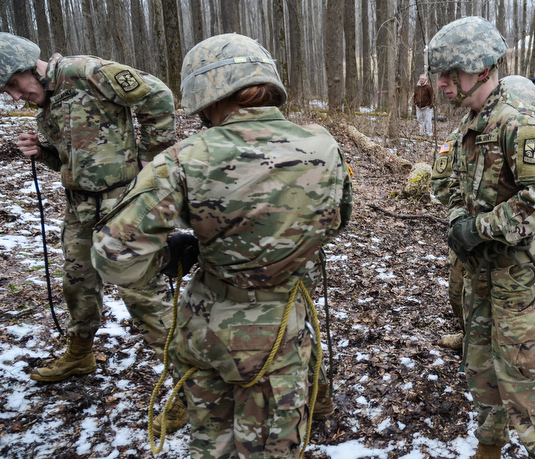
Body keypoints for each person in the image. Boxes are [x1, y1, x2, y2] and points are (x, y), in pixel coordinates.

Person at [91, 33, 353, 457]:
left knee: (212, 444)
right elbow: (337, 220)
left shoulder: (184, 157)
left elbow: (114, 258)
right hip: (281, 330)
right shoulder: (323, 146)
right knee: (274, 446)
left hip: (208, 326)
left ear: (205, 93)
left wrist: (174, 253)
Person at [0, 32, 185, 425]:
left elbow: (158, 96)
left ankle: (191, 389)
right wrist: (44, 152)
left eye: (15, 84)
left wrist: (153, 161)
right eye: (7, 92)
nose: (16, 96)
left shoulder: (85, 71)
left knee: (143, 297)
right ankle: (80, 353)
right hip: (80, 207)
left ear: (28, 65)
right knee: (78, 283)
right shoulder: (47, 109)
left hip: (123, 203)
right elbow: (76, 162)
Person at [428, 16, 535, 459]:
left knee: (528, 390)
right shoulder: (470, 125)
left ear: (483, 69)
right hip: (479, 276)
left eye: (452, 74)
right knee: (482, 374)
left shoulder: (518, 123)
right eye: (440, 75)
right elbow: (448, 183)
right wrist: (457, 220)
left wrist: (480, 228)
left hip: (516, 280)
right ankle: (489, 448)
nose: (442, 85)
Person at [434, 75, 535, 352]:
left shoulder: (526, 130)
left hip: (511, 248)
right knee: (460, 294)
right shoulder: (464, 133)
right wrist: (462, 220)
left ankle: (490, 347)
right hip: (469, 242)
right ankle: (470, 337)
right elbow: (442, 181)